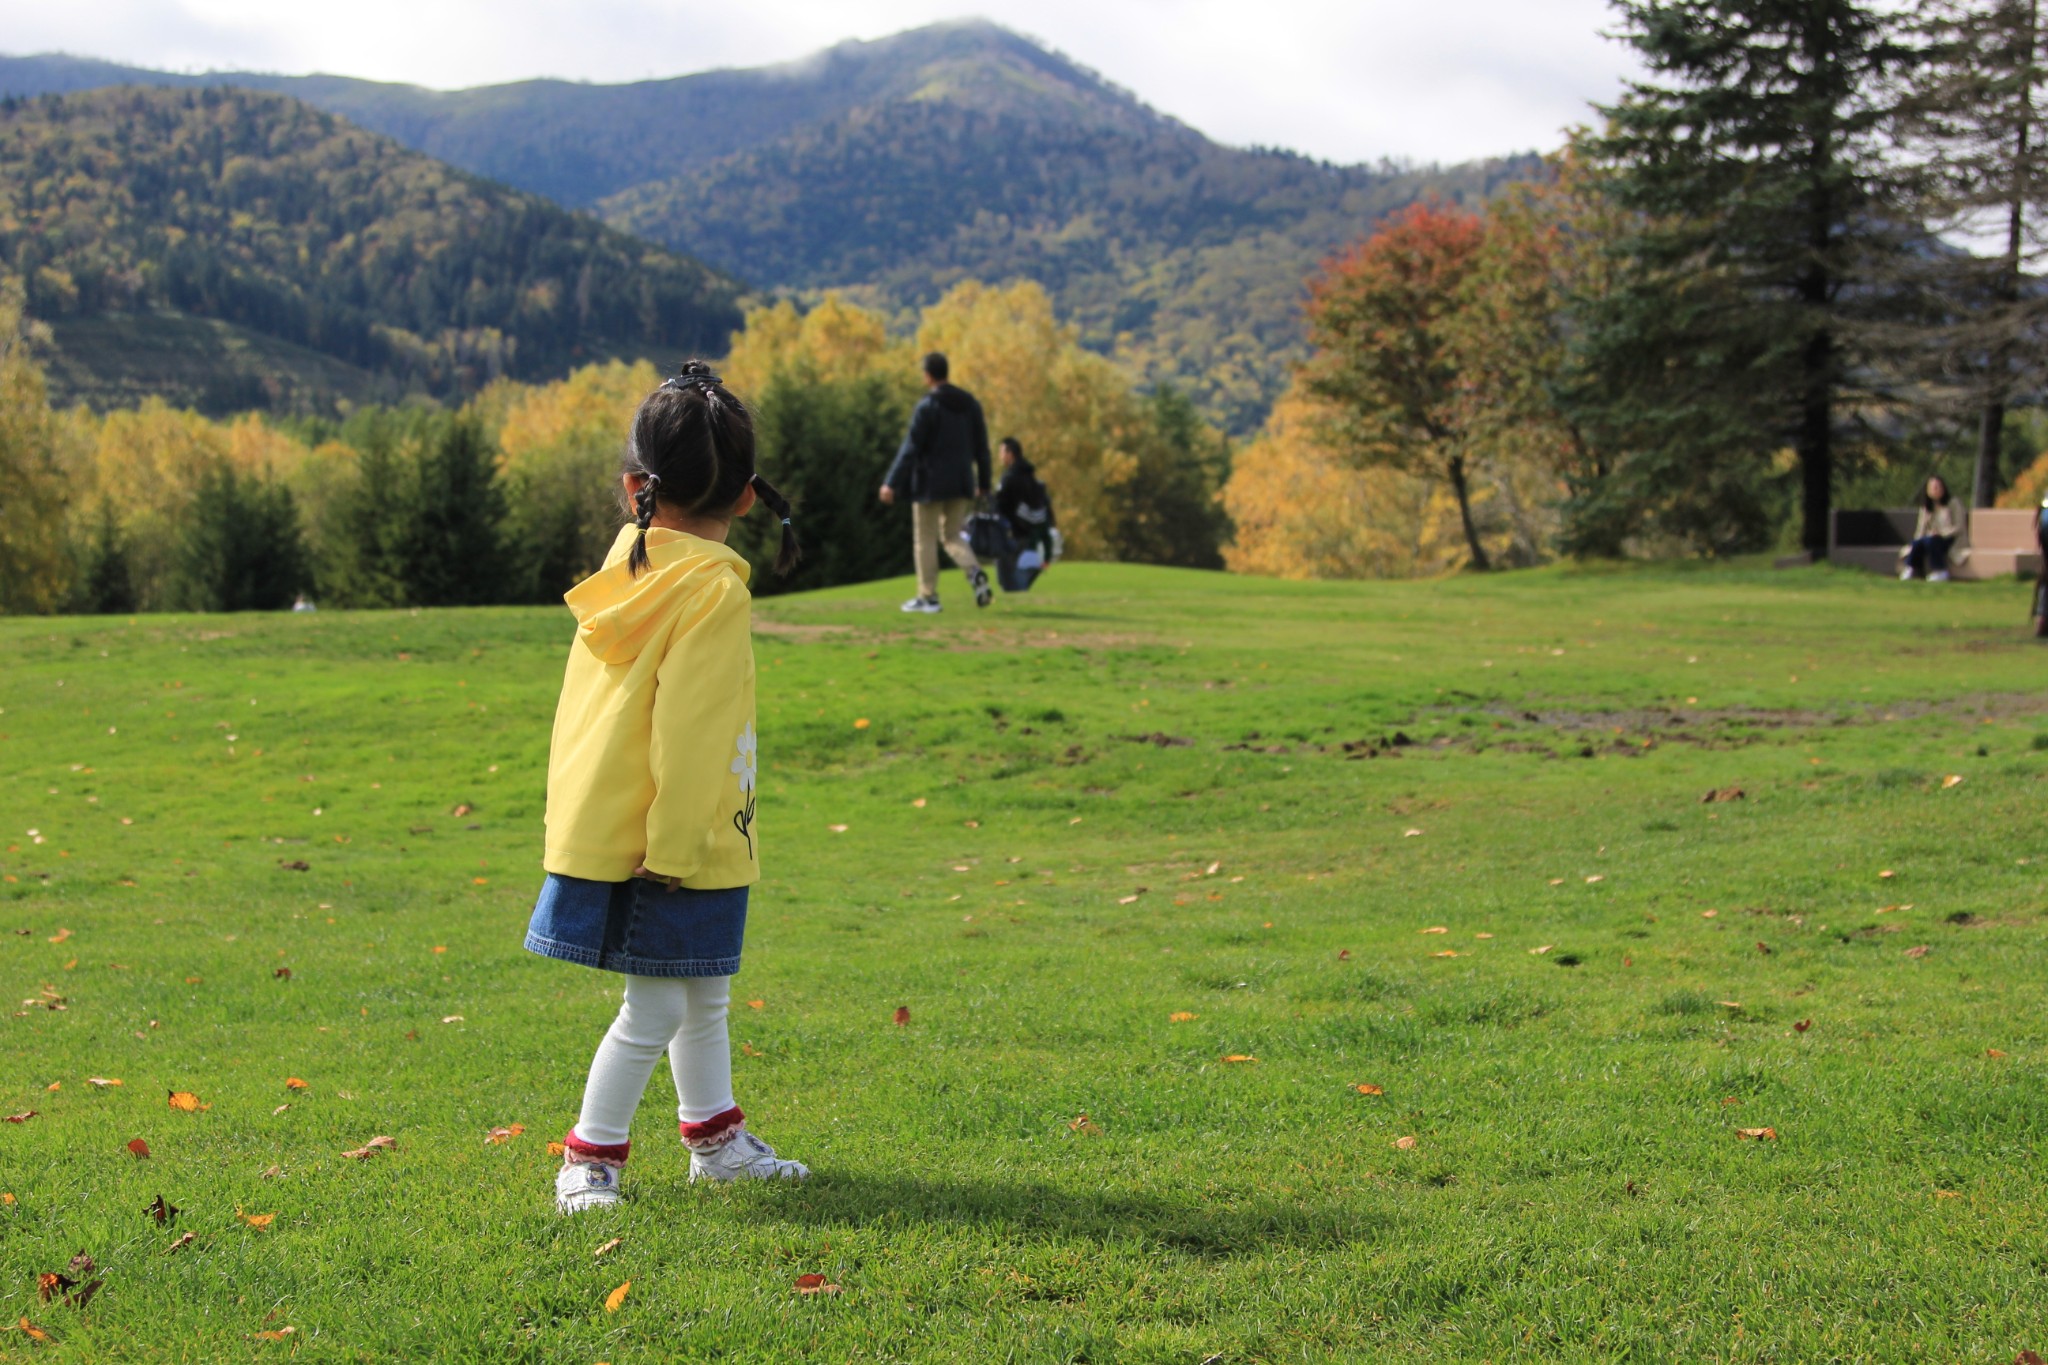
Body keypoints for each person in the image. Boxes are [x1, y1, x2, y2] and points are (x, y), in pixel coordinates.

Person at [524, 360, 810, 1215]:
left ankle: (715, 1139)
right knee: (653, 1005)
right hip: (680, 840)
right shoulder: (710, 591)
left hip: (622, 826)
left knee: (702, 989)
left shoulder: (629, 574)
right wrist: (680, 847)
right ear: (749, 496)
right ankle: (589, 1157)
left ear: (633, 488)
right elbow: (692, 733)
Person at [879, 352, 993, 613]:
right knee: (953, 536)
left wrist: (891, 483)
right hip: (962, 482)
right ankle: (974, 571)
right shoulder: (970, 404)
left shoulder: (928, 406)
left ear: (928, 375)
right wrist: (984, 483)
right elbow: (982, 448)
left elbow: (911, 447)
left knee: (925, 540)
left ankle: (928, 597)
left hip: (930, 485)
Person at [993, 437, 1059, 592]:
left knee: (1006, 577)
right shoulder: (1030, 477)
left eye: (1002, 452)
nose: (1000, 456)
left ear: (1010, 454)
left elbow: (1001, 503)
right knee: (1014, 572)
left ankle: (1018, 595)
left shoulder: (1010, 477)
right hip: (1030, 533)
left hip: (1013, 532)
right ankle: (1022, 586)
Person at [1901, 475, 1963, 581]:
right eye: (1932, 487)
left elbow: (1959, 526)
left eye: (1938, 487)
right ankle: (1912, 568)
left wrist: (1941, 533)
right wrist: (1915, 542)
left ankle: (1940, 571)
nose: (1935, 490)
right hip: (1930, 537)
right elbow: (1921, 529)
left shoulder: (1953, 503)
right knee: (1918, 542)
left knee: (1932, 541)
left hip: (1950, 538)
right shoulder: (1926, 508)